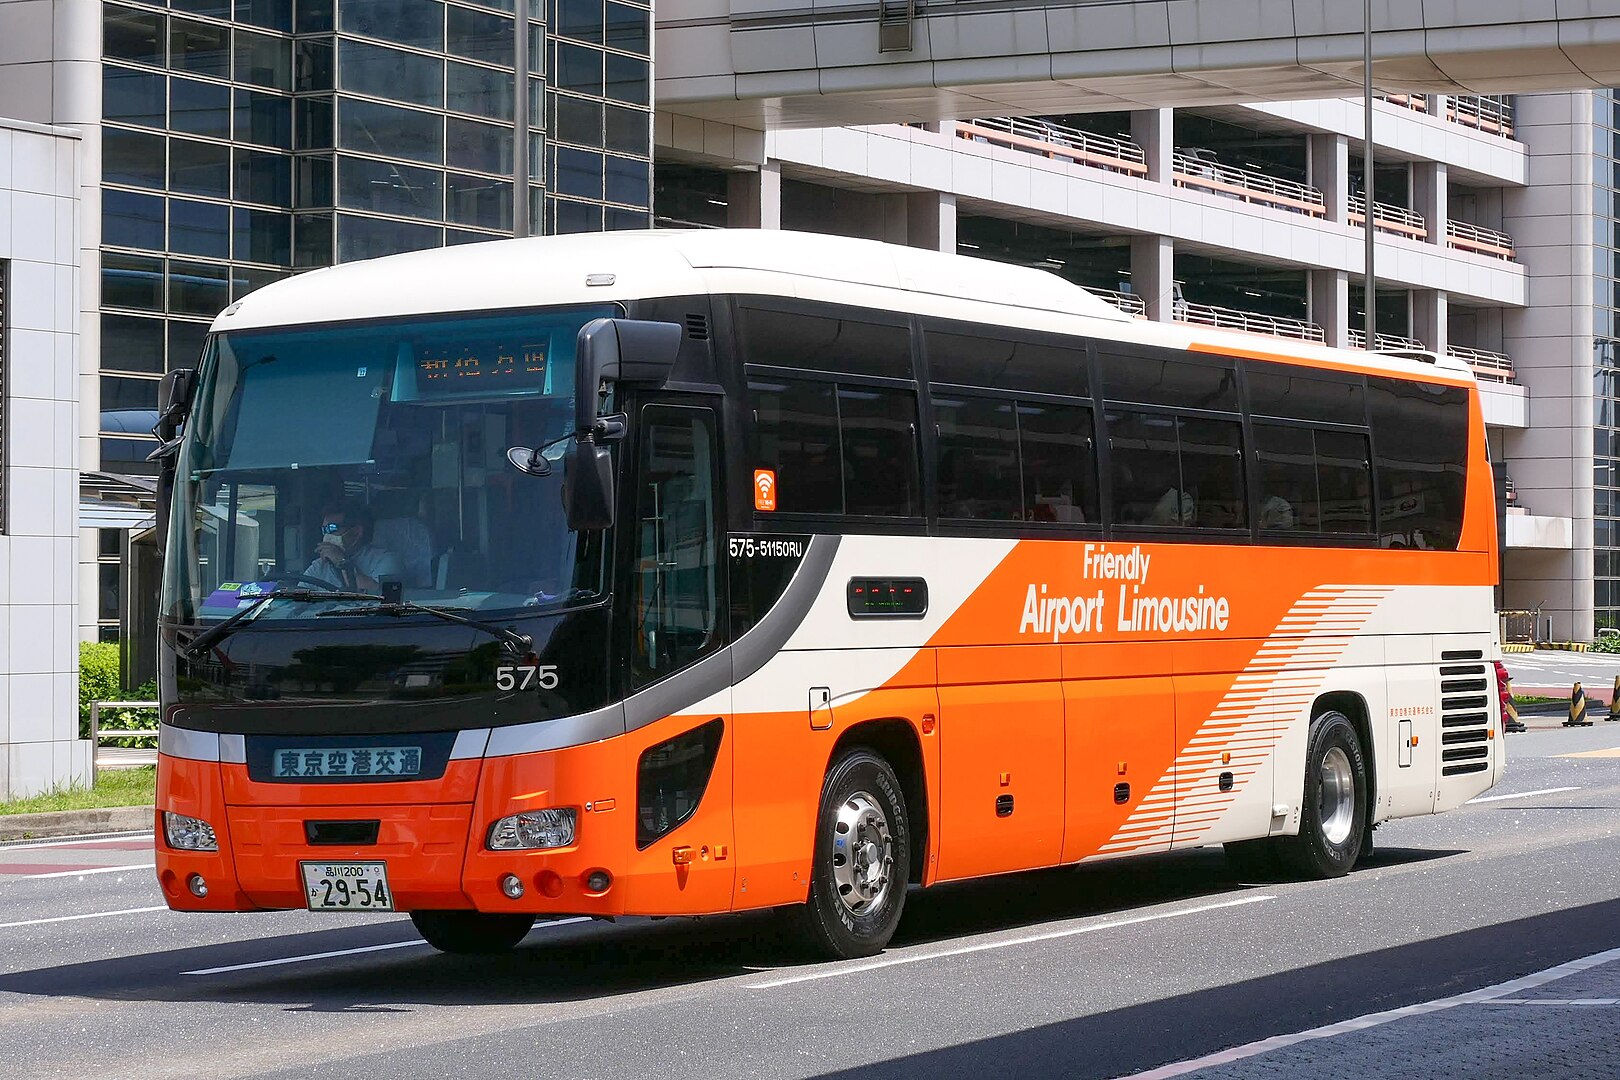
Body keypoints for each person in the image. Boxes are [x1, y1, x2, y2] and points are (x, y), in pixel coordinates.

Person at [304, 502, 403, 591]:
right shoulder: (319, 566)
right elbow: (293, 603)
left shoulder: (386, 560)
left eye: (332, 528)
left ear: (356, 532)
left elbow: (381, 597)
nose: (326, 534)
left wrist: (342, 563)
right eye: (324, 530)